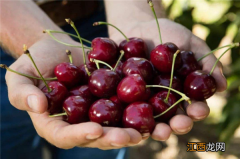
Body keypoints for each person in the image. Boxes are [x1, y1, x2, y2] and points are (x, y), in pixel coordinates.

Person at [0, 0, 227, 159]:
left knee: (98, 149)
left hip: (99, 13)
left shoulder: (141, 76)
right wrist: (33, 40)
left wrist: (139, 15)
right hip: (13, 32)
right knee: (12, 143)